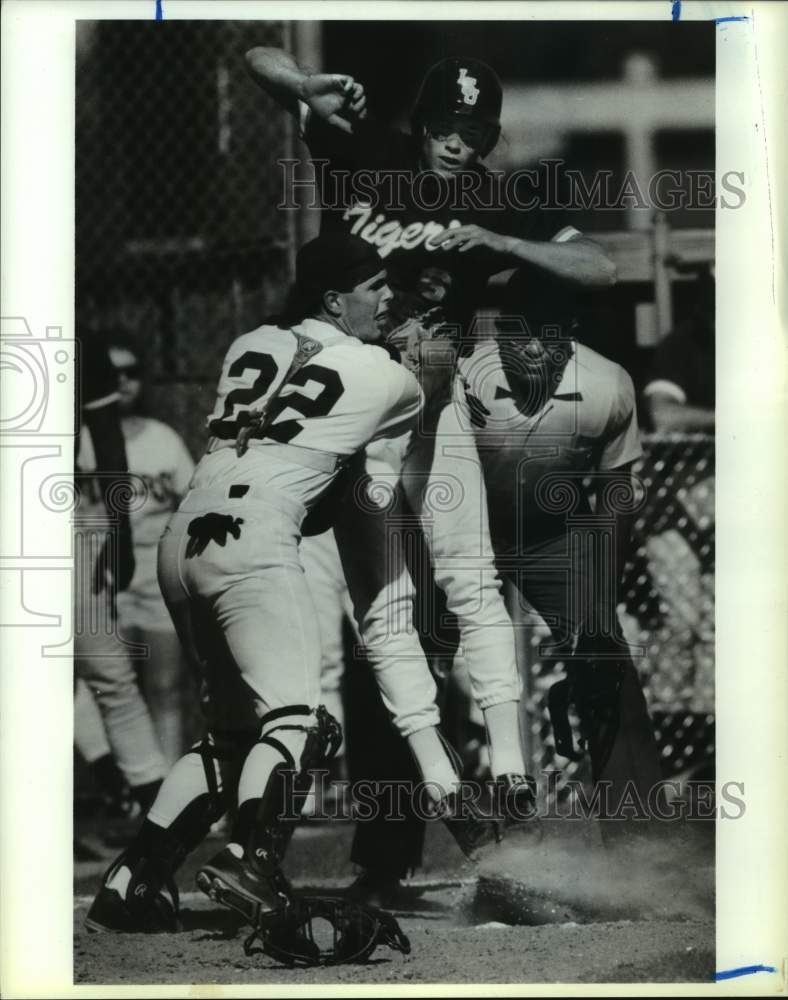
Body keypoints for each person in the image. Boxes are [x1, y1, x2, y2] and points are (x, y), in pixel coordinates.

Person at [245, 49, 618, 891]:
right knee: (370, 617)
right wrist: (304, 87)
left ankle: (505, 787)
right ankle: (379, 834)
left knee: (459, 589)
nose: (460, 144)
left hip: (427, 405)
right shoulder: (372, 152)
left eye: (477, 130)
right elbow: (258, 59)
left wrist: (494, 238)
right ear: (423, 125)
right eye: (448, 128)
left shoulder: (494, 195)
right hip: (339, 416)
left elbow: (604, 264)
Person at [85, 235, 509, 947]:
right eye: (372, 287)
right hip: (254, 543)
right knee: (303, 724)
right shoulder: (382, 375)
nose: (389, 299)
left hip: (182, 541)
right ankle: (254, 864)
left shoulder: (249, 341)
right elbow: (411, 406)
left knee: (227, 741)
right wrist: (424, 358)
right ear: (331, 299)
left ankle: (132, 880)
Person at [457, 272, 665, 830]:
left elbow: (618, 490)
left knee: (605, 658)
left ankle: (641, 844)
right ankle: (389, 859)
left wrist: (598, 600)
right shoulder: (460, 378)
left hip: (548, 532)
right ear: (497, 333)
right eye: (516, 334)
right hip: (457, 528)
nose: (529, 348)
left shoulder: (607, 383)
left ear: (569, 334)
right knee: (402, 656)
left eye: (545, 336)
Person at [75, 331, 167, 818]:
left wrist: (121, 532)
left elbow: (109, 440)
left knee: (108, 669)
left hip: (52, 515)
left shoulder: (79, 342)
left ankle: (157, 810)